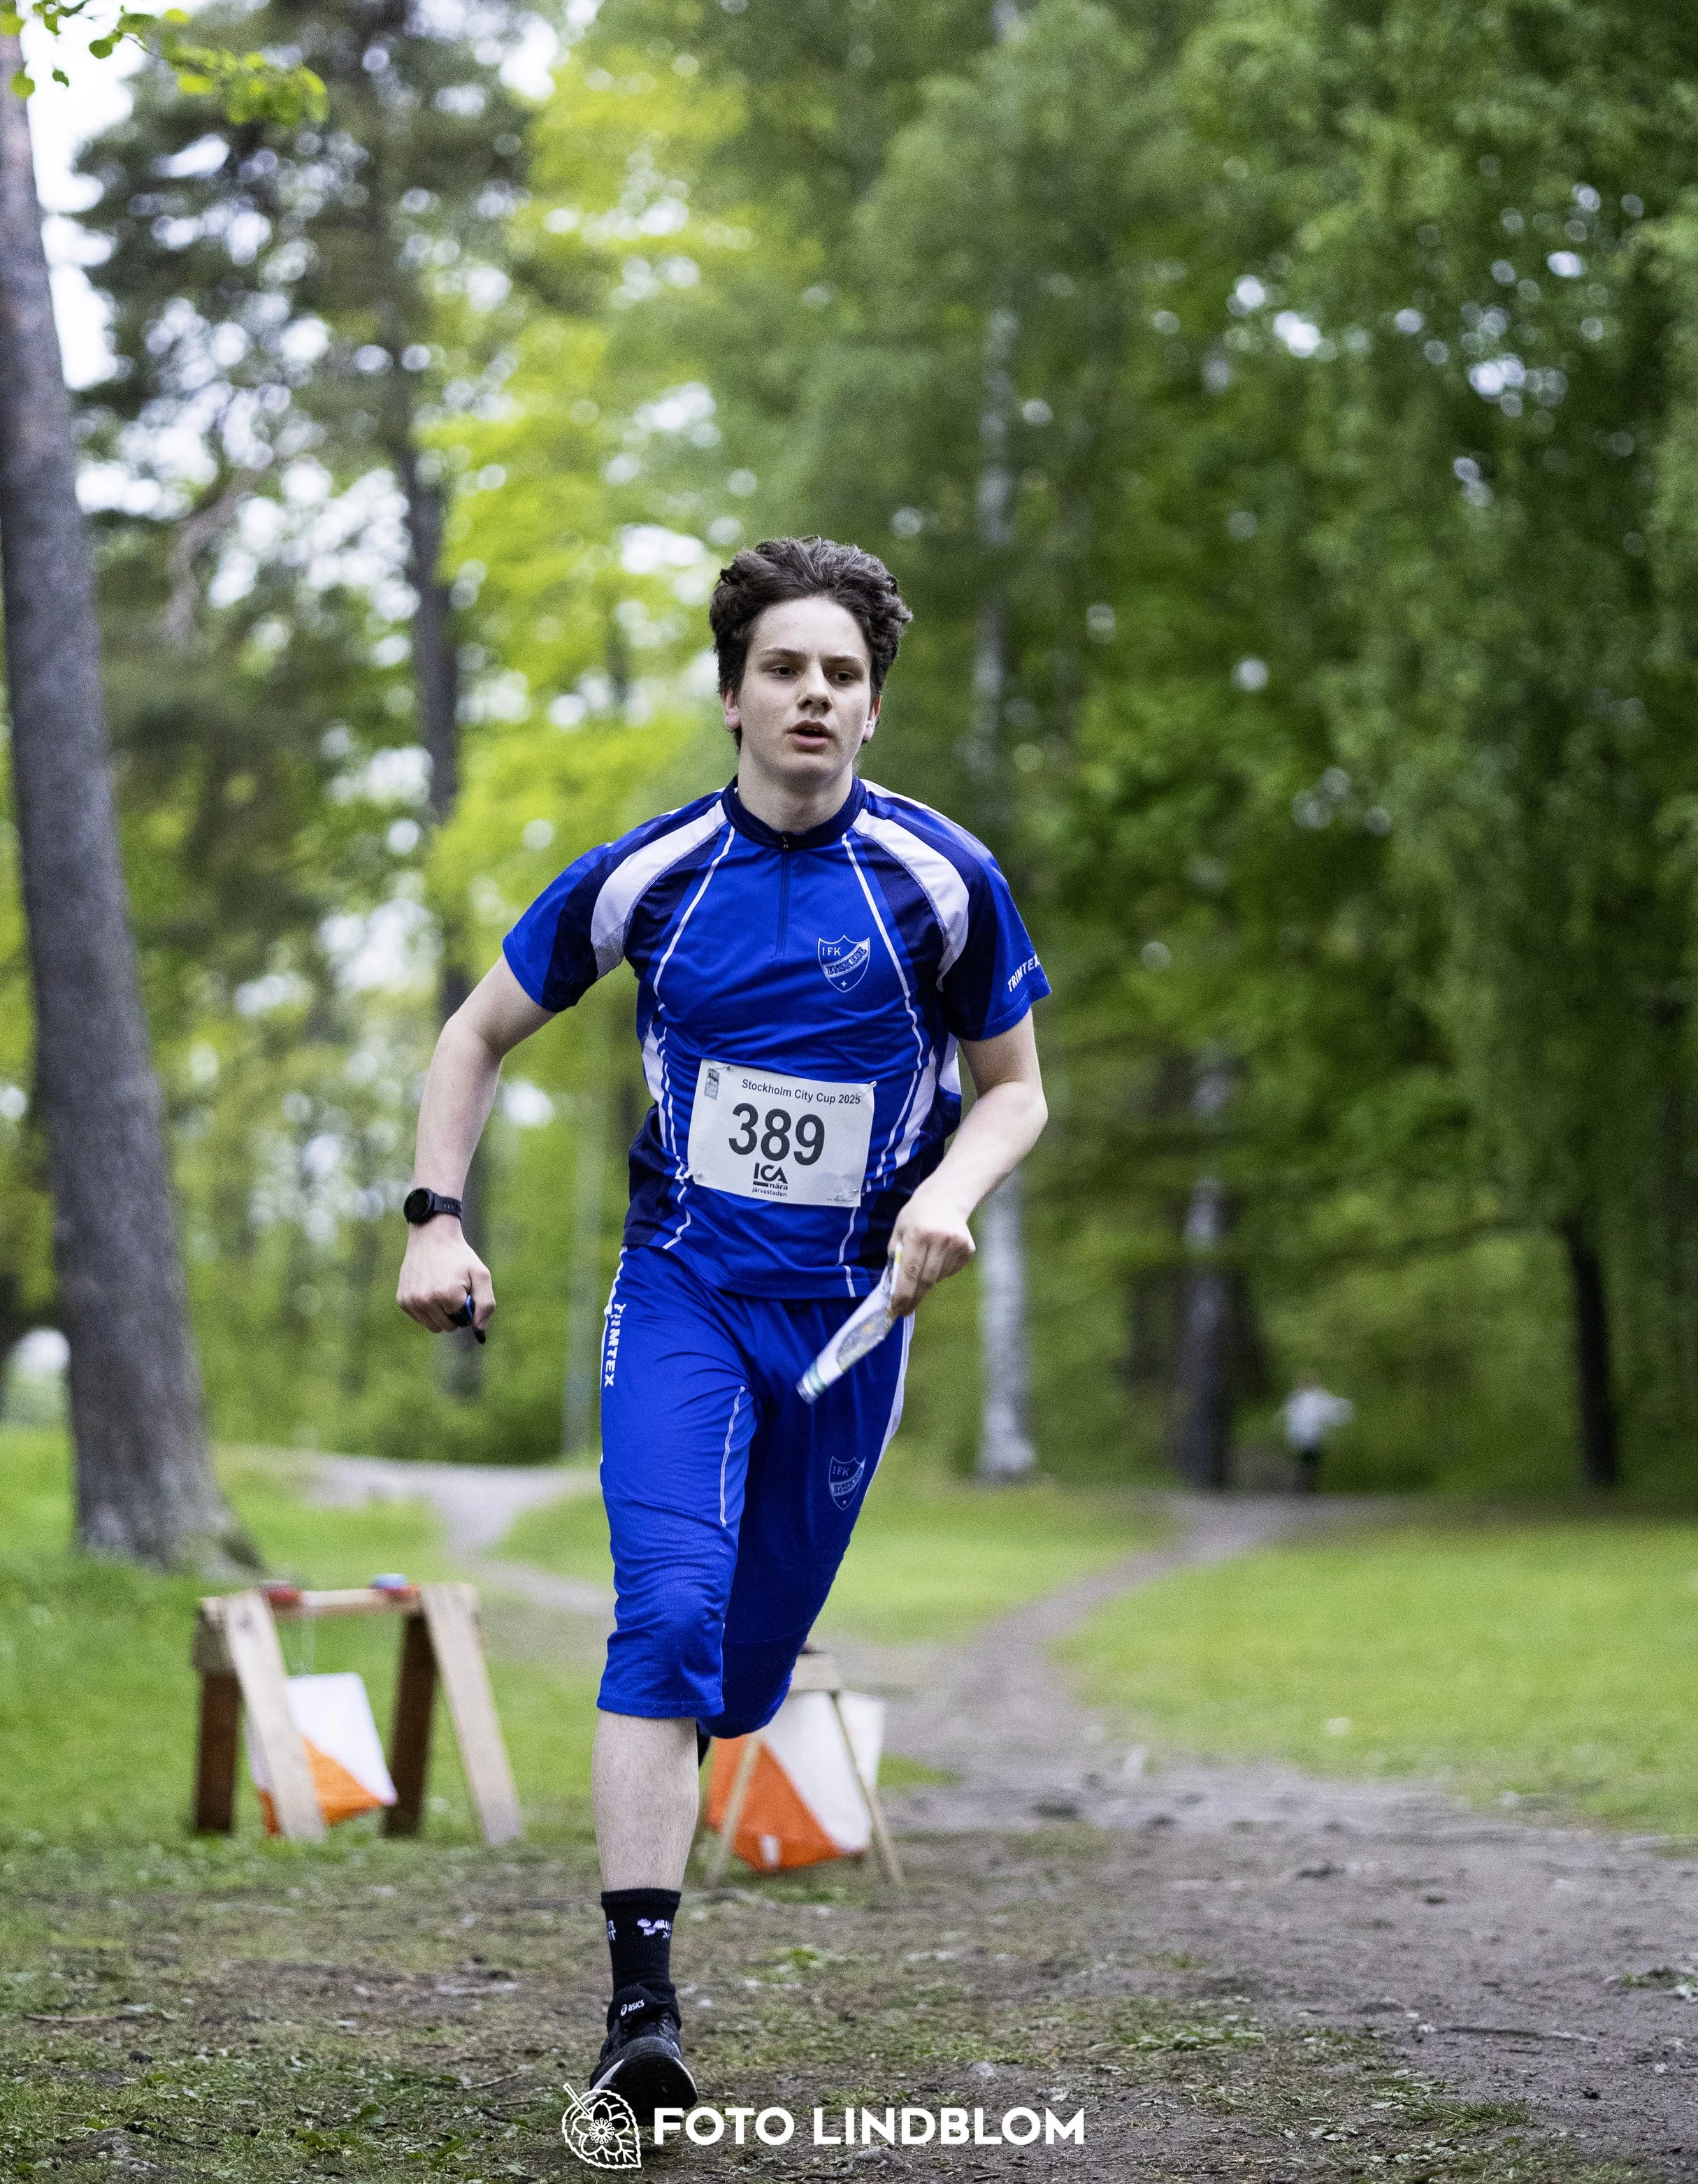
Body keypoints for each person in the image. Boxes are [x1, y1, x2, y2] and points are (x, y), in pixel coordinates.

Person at [396, 536, 1050, 2120]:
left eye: (843, 674)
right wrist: (435, 1216)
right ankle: (642, 2009)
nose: (813, 694)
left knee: (740, 1675)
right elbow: (475, 1034)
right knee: (668, 1618)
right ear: (734, 693)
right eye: (784, 668)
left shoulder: (943, 880)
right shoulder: (652, 875)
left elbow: (1017, 1092)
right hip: (683, 1292)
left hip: (851, 1321)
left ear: (873, 708)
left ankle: (664, 1897)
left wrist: (949, 1191)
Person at [1279, 1375, 1353, 1493]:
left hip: (1313, 1435)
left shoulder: (1316, 1397)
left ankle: (1305, 1484)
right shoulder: (1299, 1398)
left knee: (1310, 1460)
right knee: (1306, 1459)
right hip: (1304, 1435)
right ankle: (1303, 1484)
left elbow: (1328, 1412)